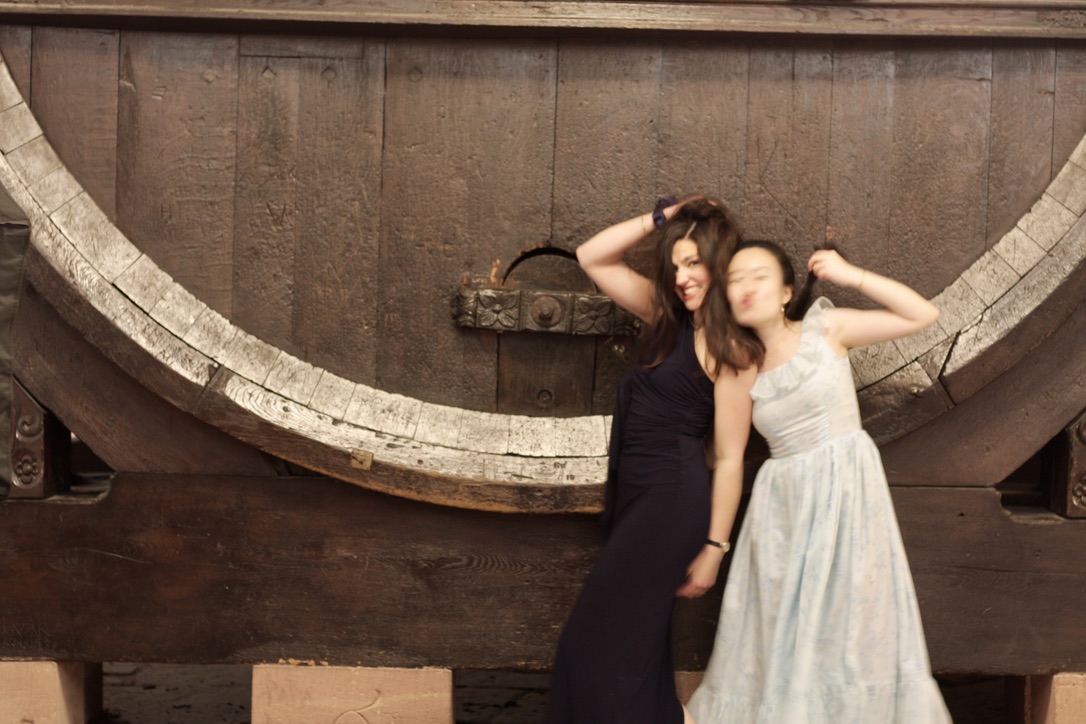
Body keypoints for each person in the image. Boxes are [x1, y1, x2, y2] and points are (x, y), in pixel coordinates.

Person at [687, 240, 952, 723]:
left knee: (855, 632)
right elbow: (728, 459)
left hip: (849, 498)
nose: (745, 287)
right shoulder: (740, 366)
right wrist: (713, 547)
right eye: (734, 280)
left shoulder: (827, 329)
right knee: (785, 636)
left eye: (758, 276)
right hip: (782, 515)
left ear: (786, 291)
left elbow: (922, 315)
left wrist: (851, 276)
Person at [544, 197, 757, 724]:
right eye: (675, 265)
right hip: (640, 496)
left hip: (670, 503)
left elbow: (730, 457)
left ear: (720, 262)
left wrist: (714, 549)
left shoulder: (730, 348)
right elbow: (592, 256)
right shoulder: (668, 318)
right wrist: (663, 217)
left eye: (694, 263)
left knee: (588, 649)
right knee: (633, 651)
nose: (682, 278)